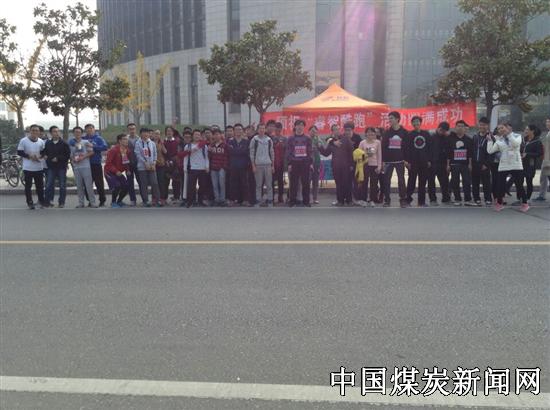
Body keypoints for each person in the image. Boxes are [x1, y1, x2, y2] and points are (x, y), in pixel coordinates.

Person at [487, 122, 529, 212]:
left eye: (502, 128)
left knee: (519, 185)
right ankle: (499, 203)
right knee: (500, 185)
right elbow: (490, 151)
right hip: (504, 165)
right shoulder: (499, 140)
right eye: (499, 129)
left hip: (516, 164)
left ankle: (525, 203)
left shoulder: (517, 136)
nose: (500, 130)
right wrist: (489, 141)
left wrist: (509, 135)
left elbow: (515, 144)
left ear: (508, 128)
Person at [319, 124, 353, 206]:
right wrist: (319, 147)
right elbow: (326, 153)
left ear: (340, 130)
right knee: (338, 183)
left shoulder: (345, 139)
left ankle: (349, 200)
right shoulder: (331, 142)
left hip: (346, 166)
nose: (336, 131)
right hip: (336, 166)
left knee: (347, 183)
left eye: (338, 129)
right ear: (332, 131)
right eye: (334, 129)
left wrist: (351, 165)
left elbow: (350, 152)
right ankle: (340, 201)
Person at [381, 111, 408, 207]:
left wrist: (406, 160)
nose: (390, 120)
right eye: (389, 118)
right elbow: (383, 147)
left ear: (397, 119)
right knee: (386, 181)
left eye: (391, 118)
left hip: (400, 161)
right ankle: (387, 200)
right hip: (388, 161)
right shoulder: (387, 132)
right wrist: (383, 161)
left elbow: (406, 147)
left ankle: (403, 200)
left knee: (401, 181)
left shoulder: (404, 132)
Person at [404, 116, 432, 207]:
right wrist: (407, 161)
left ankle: (421, 202)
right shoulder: (409, 135)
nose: (416, 123)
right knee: (411, 181)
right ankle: (408, 200)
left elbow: (430, 148)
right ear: (412, 123)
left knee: (423, 182)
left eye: (418, 121)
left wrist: (429, 160)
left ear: (420, 123)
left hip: (424, 162)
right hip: (413, 162)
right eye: (414, 122)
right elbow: (406, 149)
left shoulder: (426, 134)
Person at [17, 124, 47, 209]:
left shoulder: (41, 141)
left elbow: (43, 152)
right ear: (30, 131)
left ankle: (41, 201)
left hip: (39, 167)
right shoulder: (23, 140)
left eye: (37, 130)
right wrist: (29, 156)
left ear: (39, 132)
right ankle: (30, 202)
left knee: (40, 186)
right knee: (28, 186)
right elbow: (19, 152)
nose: (35, 132)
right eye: (33, 130)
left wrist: (40, 157)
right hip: (27, 168)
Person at [447, 120, 474, 206]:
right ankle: (457, 199)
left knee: (467, 182)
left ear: (465, 128)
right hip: (454, 164)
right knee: (455, 182)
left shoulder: (468, 139)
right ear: (455, 127)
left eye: (462, 126)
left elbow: (470, 153)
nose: (460, 128)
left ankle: (468, 199)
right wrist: (448, 165)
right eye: (458, 126)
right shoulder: (451, 139)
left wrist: (470, 164)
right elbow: (448, 153)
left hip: (465, 164)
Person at [69, 126, 97, 208]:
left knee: (88, 186)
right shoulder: (72, 143)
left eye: (79, 132)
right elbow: (71, 155)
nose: (77, 133)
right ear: (73, 133)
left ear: (82, 133)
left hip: (86, 166)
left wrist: (83, 157)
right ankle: (81, 203)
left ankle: (92, 202)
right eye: (75, 132)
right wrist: (73, 160)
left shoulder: (86, 142)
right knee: (79, 186)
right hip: (76, 167)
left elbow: (91, 152)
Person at [287, 119, 313, 207]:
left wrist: (310, 163)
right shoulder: (291, 139)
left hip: (305, 163)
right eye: (298, 125)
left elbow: (310, 151)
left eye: (301, 125)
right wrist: (289, 163)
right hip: (294, 163)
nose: (300, 127)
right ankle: (292, 201)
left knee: (306, 183)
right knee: (293, 184)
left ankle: (306, 201)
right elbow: (288, 151)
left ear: (304, 127)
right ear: (295, 126)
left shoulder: (307, 138)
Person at [44, 125, 70, 208]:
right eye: (54, 131)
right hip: (51, 167)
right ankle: (48, 201)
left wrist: (58, 158)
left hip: (61, 167)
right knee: (49, 185)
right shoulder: (48, 143)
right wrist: (45, 155)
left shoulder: (64, 143)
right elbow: (44, 152)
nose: (57, 133)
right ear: (51, 133)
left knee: (62, 186)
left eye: (58, 131)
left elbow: (67, 155)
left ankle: (61, 202)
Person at [82, 124, 108, 206]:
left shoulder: (98, 138)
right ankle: (90, 201)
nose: (89, 130)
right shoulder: (83, 139)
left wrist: (93, 146)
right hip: (85, 164)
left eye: (91, 128)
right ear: (85, 130)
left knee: (99, 183)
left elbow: (104, 147)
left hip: (96, 163)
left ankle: (102, 200)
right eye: (87, 129)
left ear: (94, 129)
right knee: (87, 184)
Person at [250, 123, 275, 207]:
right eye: (260, 128)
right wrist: (253, 166)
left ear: (265, 130)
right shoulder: (254, 140)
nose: (262, 130)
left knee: (269, 185)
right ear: (257, 130)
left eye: (263, 128)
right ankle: (258, 201)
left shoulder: (269, 140)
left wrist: (273, 165)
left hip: (268, 165)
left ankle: (270, 200)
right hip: (258, 165)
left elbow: (272, 153)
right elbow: (252, 154)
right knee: (258, 185)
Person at [104, 134, 133, 208]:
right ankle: (113, 202)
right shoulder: (113, 150)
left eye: (127, 139)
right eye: (124, 139)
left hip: (118, 172)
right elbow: (108, 163)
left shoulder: (127, 150)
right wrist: (116, 171)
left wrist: (127, 170)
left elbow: (126, 162)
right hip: (109, 172)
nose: (126, 141)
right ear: (120, 141)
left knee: (126, 186)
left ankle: (119, 201)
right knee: (117, 186)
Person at [134, 128, 161, 207]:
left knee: (154, 183)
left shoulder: (152, 143)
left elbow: (155, 153)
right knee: (144, 184)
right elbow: (138, 154)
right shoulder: (138, 143)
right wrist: (145, 163)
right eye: (144, 133)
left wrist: (154, 162)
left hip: (152, 166)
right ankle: (145, 200)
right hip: (142, 167)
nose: (146, 134)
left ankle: (157, 200)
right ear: (141, 134)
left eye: (147, 133)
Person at [184, 129, 210, 207]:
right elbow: (185, 158)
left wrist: (207, 166)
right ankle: (191, 201)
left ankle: (200, 201)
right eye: (195, 135)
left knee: (202, 186)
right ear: (193, 136)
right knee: (191, 186)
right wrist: (185, 167)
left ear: (200, 136)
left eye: (198, 135)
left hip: (202, 168)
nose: (197, 136)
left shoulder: (204, 146)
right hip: (192, 168)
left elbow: (206, 157)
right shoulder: (188, 146)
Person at [471, 117, 493, 206]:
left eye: (484, 125)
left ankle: (488, 199)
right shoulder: (475, 137)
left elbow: (492, 153)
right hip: (475, 163)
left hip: (484, 164)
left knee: (486, 183)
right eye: (480, 125)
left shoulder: (490, 137)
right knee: (475, 182)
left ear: (488, 126)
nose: (482, 127)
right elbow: (472, 150)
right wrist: (471, 163)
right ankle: (476, 198)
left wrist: (486, 164)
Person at [428, 122, 451, 205]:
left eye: (444, 131)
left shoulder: (447, 138)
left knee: (444, 182)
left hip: (442, 163)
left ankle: (446, 198)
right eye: (441, 130)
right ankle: (432, 199)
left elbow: (449, 152)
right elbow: (427, 150)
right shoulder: (431, 137)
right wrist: (428, 161)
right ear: (438, 128)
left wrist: (448, 164)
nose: (442, 132)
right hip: (432, 163)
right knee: (431, 182)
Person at [227, 123, 250, 206]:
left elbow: (245, 152)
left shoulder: (246, 141)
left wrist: (236, 150)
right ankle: (232, 200)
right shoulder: (230, 141)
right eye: (236, 129)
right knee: (233, 184)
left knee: (244, 183)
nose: (238, 131)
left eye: (240, 129)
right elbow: (231, 152)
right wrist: (239, 150)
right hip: (233, 165)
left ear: (242, 131)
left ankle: (245, 200)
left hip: (243, 166)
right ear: (234, 131)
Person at [358, 127, 382, 207]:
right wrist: (366, 155)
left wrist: (379, 167)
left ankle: (372, 200)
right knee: (364, 183)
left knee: (374, 184)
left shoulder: (378, 142)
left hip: (374, 165)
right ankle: (364, 199)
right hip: (365, 165)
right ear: (366, 134)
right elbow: (358, 155)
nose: (370, 134)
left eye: (372, 132)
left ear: (375, 134)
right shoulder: (362, 143)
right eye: (368, 132)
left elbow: (379, 155)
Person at [521, 124, 543, 202]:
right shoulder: (523, 140)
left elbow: (539, 153)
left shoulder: (537, 141)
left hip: (530, 164)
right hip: (521, 163)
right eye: (525, 129)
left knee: (529, 181)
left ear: (532, 131)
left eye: (527, 129)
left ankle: (527, 198)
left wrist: (527, 154)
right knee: (519, 181)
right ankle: (520, 197)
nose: (525, 131)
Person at [208, 128, 228, 206]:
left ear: (220, 135)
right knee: (215, 184)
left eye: (217, 134)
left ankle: (222, 199)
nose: (216, 136)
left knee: (222, 184)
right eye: (214, 134)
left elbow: (227, 156)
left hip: (221, 168)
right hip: (213, 168)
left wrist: (224, 167)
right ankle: (217, 199)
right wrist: (209, 151)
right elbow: (209, 157)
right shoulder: (211, 145)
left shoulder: (225, 145)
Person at [533, 117, 550, 202]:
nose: (547, 123)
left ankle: (542, 195)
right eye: (546, 122)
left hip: (548, 159)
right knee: (543, 177)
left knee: (545, 177)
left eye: (548, 122)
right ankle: (542, 195)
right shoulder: (548, 133)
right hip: (546, 158)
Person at [163, 126, 181, 203]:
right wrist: (166, 161)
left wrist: (173, 160)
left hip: (175, 164)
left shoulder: (177, 142)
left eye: (170, 131)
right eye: (167, 131)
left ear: (173, 133)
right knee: (165, 182)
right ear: (165, 133)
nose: (169, 132)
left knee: (176, 182)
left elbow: (178, 153)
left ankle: (176, 197)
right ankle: (164, 198)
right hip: (166, 164)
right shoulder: (163, 142)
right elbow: (162, 153)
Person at [271, 122, 286, 204]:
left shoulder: (284, 139)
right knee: (272, 181)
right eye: (276, 130)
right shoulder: (271, 138)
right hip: (273, 163)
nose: (278, 131)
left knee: (280, 181)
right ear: (274, 129)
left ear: (281, 129)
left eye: (279, 130)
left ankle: (280, 197)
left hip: (281, 162)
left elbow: (287, 150)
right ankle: (272, 197)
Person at [152, 130, 168, 206]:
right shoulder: (150, 143)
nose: (157, 135)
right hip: (153, 165)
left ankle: (162, 198)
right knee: (154, 182)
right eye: (155, 134)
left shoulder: (162, 143)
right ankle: (154, 198)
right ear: (153, 135)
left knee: (161, 182)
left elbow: (165, 152)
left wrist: (162, 144)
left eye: (158, 134)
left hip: (161, 164)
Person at [125, 123, 139, 206]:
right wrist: (126, 167)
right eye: (130, 129)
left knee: (141, 182)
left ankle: (144, 199)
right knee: (130, 182)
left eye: (133, 129)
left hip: (138, 163)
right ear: (128, 130)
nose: (132, 130)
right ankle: (133, 200)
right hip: (128, 164)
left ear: (135, 129)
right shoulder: (125, 139)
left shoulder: (139, 139)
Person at [309, 125, 322, 204]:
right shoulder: (306, 139)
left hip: (316, 163)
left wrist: (318, 143)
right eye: (312, 131)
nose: (314, 132)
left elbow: (321, 146)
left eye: (315, 131)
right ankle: (306, 198)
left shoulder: (318, 139)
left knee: (315, 182)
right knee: (307, 181)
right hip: (308, 164)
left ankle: (315, 198)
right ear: (309, 131)